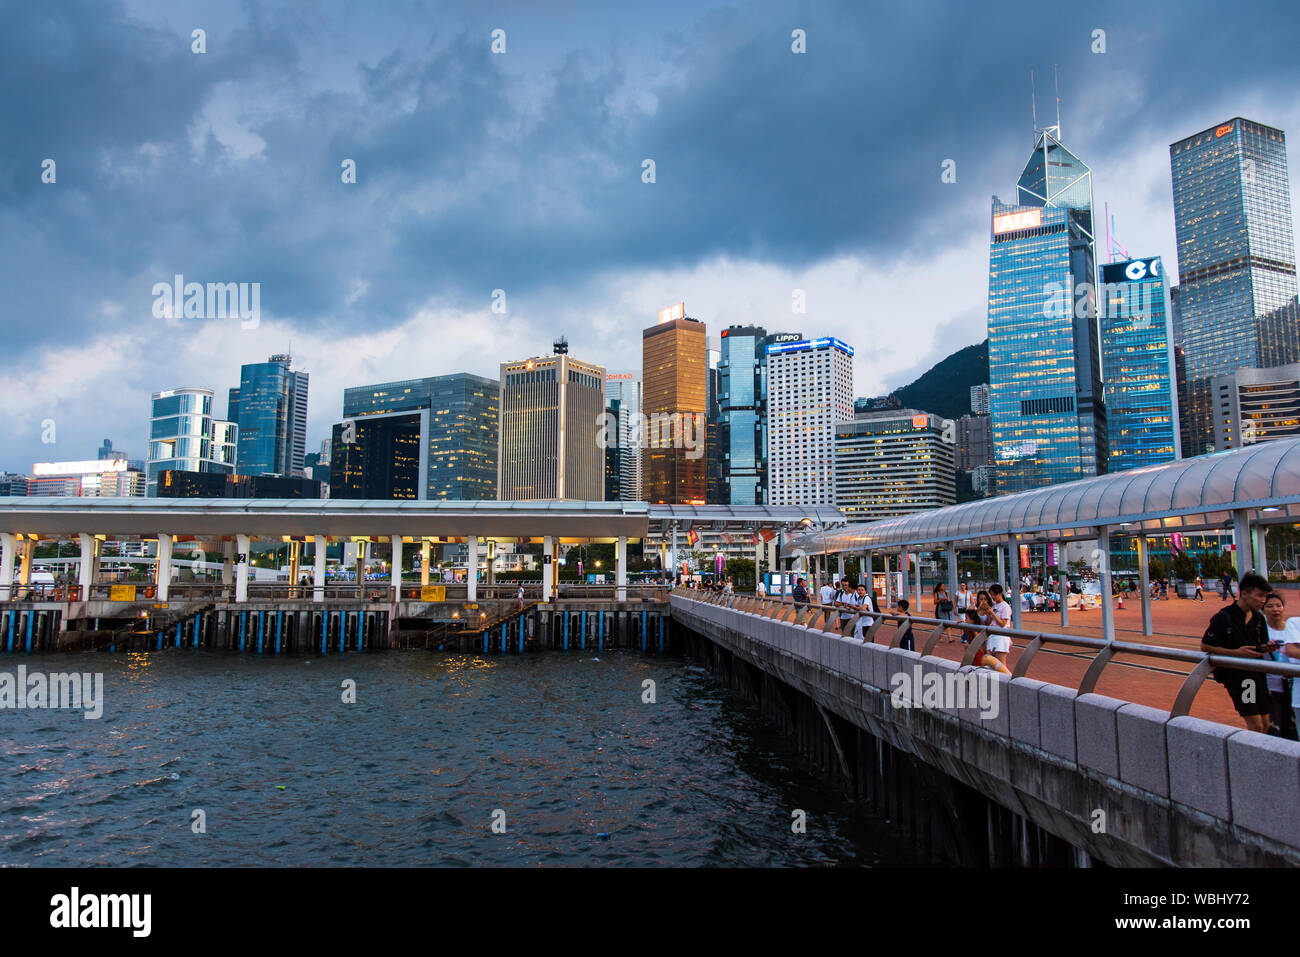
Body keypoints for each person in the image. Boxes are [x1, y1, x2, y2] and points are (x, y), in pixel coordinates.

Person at [1201, 573, 1274, 734]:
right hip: (1239, 677)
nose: (1263, 600)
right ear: (1245, 593)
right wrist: (1235, 653)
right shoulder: (1223, 617)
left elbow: (1261, 644)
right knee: (1256, 724)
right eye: (1260, 596)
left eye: (1265, 596)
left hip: (1258, 674)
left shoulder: (1258, 619)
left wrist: (1266, 648)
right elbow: (1205, 646)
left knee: (1266, 723)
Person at [1263, 592, 1300, 740]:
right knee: (1274, 725)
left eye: (1278, 605)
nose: (1275, 609)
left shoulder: (1290, 627)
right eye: (1270, 606)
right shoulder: (1262, 630)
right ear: (1263, 609)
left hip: (1289, 684)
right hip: (1270, 685)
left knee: (1291, 726)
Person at [986, 584, 1013, 669]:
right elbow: (989, 622)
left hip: (1001, 636)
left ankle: (1005, 679)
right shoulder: (994, 606)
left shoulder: (1005, 606)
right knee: (992, 662)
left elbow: (1003, 624)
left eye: (995, 594)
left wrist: (993, 613)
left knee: (1001, 663)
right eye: (991, 595)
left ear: (1000, 594)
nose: (993, 597)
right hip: (993, 635)